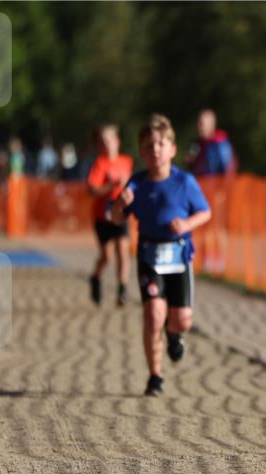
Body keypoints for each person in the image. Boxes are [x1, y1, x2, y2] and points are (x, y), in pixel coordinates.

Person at [112, 114, 211, 397]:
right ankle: (155, 376)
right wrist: (119, 203)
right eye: (148, 145)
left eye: (160, 144)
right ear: (142, 152)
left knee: (183, 320)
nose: (155, 149)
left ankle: (174, 333)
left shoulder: (184, 181)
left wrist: (186, 224)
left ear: (172, 149)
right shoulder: (137, 184)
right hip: (150, 257)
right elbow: (116, 218)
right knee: (153, 315)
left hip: (179, 257)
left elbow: (205, 212)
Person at [86, 124, 134, 306]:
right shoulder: (100, 164)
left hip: (120, 213)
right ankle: (95, 277)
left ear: (117, 141)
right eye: (103, 141)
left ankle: (122, 290)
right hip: (102, 216)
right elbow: (92, 190)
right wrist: (111, 185)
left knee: (123, 251)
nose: (107, 144)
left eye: (110, 140)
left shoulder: (126, 161)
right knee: (107, 256)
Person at [188, 109, 236, 274]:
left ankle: (220, 261)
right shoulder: (199, 144)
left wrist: (222, 190)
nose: (199, 126)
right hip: (201, 190)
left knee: (217, 226)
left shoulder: (220, 142)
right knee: (204, 226)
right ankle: (206, 260)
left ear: (211, 124)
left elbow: (226, 168)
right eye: (198, 122)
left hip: (216, 191)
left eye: (203, 122)